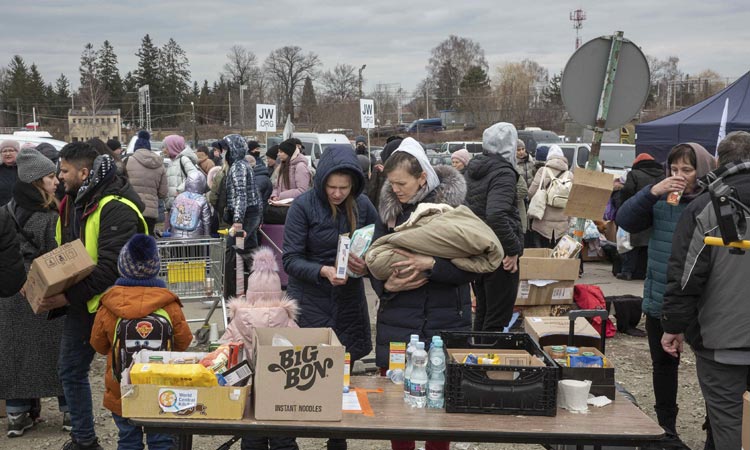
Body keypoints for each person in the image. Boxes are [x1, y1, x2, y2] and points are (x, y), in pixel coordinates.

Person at [39, 142, 148, 450]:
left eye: (64, 170)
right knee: (70, 370)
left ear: (84, 172)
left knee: (121, 379)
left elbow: (110, 269)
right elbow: (68, 256)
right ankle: (84, 440)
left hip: (118, 308)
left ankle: (131, 442)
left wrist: (64, 298)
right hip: (83, 306)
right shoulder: (73, 202)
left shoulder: (116, 207)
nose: (59, 177)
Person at [371, 137, 472, 450]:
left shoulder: (454, 211)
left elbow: (473, 268)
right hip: (400, 321)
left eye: (401, 183)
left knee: (440, 412)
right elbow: (375, 264)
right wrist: (386, 287)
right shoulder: (388, 215)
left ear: (422, 178)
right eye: (391, 183)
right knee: (399, 413)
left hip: (446, 321)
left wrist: (432, 265)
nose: (396, 189)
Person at [617, 142, 715, 449]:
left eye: (687, 169)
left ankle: (715, 427)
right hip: (661, 292)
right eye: (674, 169)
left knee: (710, 368)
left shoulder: (714, 202)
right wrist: (652, 191)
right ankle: (666, 428)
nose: (680, 176)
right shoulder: (663, 198)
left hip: (702, 300)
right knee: (663, 364)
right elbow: (624, 219)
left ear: (702, 169)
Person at [283, 145, 377, 450]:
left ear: (354, 185)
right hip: (309, 300)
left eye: (343, 188)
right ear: (321, 180)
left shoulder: (362, 205)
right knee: (302, 374)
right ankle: (289, 439)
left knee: (342, 378)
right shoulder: (303, 206)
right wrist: (322, 270)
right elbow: (290, 260)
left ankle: (338, 440)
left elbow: (380, 244)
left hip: (347, 302)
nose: (337, 193)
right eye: (331, 187)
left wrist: (367, 263)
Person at [660, 133, 750, 450]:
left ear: (717, 163)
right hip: (722, 339)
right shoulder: (704, 206)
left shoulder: (705, 208)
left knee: (731, 430)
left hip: (721, 342)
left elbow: (686, 277)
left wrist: (672, 326)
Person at [90, 234, 192, 450]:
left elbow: (98, 345)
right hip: (161, 388)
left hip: (122, 389)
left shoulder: (109, 304)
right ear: (156, 267)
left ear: (122, 267)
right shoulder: (169, 304)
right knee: (161, 440)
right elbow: (183, 344)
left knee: (128, 439)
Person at [0, 148, 67, 437]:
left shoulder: (4, 212)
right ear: (37, 182)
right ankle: (71, 412)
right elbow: (59, 254)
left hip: (12, 290)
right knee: (59, 352)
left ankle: (16, 414)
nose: (56, 182)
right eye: (51, 177)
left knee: (15, 352)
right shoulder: (52, 215)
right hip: (47, 290)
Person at [222, 246, 300, 450]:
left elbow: (222, 353)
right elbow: (303, 353)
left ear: (249, 292)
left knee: (252, 439)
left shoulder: (237, 321)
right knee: (283, 441)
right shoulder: (287, 321)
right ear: (278, 291)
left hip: (248, 394)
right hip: (283, 395)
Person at [466, 122, 524, 332]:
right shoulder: (502, 173)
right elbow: (497, 213)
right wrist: (512, 249)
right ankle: (489, 361)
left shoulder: (475, 168)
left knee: (483, 310)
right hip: (499, 252)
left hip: (479, 248)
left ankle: (477, 358)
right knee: (497, 316)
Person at [222, 134, 262, 297]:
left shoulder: (238, 166)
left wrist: (237, 220)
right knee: (250, 250)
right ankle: (259, 286)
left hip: (245, 215)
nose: (223, 152)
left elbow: (240, 195)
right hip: (251, 213)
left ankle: (233, 294)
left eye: (225, 149)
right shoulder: (243, 164)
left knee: (234, 252)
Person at [617, 153, 665, 280]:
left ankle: (627, 272)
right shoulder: (663, 174)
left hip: (638, 211)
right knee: (650, 245)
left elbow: (627, 191)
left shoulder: (634, 174)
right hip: (656, 212)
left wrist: (626, 206)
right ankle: (646, 273)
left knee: (631, 245)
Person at [527, 144, 574, 248]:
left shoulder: (542, 171)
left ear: (549, 157)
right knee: (558, 254)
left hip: (542, 222)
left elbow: (531, 192)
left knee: (542, 253)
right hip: (562, 222)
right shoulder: (569, 175)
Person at [124, 141, 168, 236]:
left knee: (133, 243)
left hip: (132, 209)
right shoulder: (160, 164)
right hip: (151, 212)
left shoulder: (128, 161)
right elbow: (163, 193)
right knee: (148, 242)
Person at [166, 170, 212, 238]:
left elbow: (171, 216)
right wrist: (207, 238)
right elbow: (206, 222)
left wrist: (171, 232)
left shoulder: (179, 197)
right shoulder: (202, 200)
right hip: (195, 238)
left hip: (176, 236)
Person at [164, 134, 200, 211]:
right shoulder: (172, 161)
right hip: (173, 206)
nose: (164, 150)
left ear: (173, 147)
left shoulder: (183, 159)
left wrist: (179, 190)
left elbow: (194, 175)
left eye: (167, 147)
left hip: (183, 205)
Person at [0, 139, 19, 205]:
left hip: (22, 211)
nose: (7, 154)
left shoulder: (24, 169)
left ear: (17, 152)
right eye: (4, 151)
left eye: (11, 150)